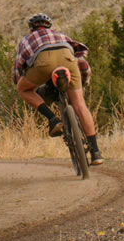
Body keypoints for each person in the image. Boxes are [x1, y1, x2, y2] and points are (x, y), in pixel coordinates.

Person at [12, 12, 102, 165]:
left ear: (31, 28)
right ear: (49, 26)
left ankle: (53, 119)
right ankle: (96, 152)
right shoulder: (60, 36)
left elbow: (18, 66)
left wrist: (21, 81)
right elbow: (81, 59)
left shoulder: (27, 39)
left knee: (23, 89)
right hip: (68, 60)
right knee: (80, 105)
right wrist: (83, 82)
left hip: (43, 63)